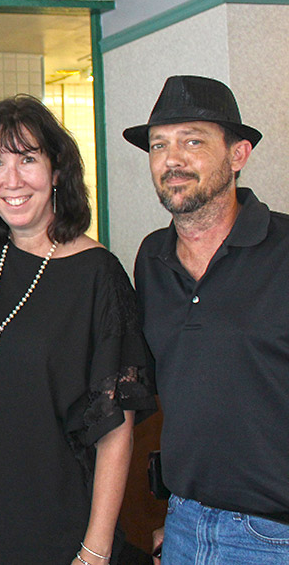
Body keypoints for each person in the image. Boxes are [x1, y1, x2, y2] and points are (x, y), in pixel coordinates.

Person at [0, 95, 156, 565]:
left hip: (56, 536)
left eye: (28, 159)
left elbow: (116, 430)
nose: (11, 180)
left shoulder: (97, 275)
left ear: (57, 171)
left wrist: (95, 551)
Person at [123, 75, 289, 564]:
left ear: (238, 155)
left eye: (192, 141)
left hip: (275, 536)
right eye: (159, 145)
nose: (172, 159)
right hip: (186, 526)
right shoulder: (152, 258)